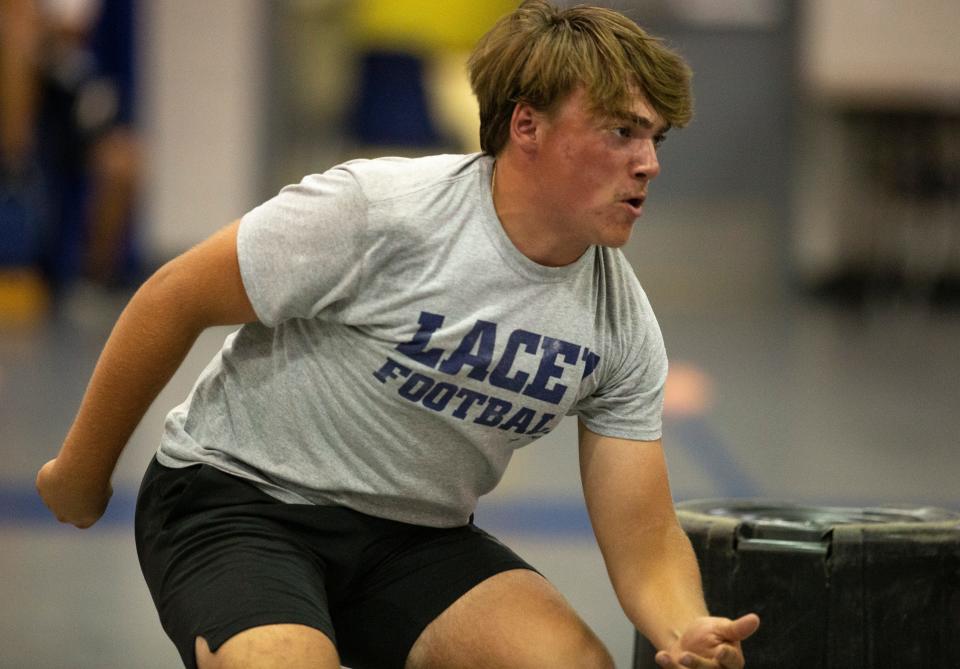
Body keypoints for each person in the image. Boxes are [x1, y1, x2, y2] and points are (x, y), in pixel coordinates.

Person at [36, 2, 760, 667]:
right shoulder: (381, 213)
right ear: (527, 125)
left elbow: (643, 534)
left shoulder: (620, 321)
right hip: (242, 501)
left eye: (655, 137)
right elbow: (173, 297)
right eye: (620, 131)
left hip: (412, 537)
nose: (650, 163)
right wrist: (81, 471)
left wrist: (681, 625)